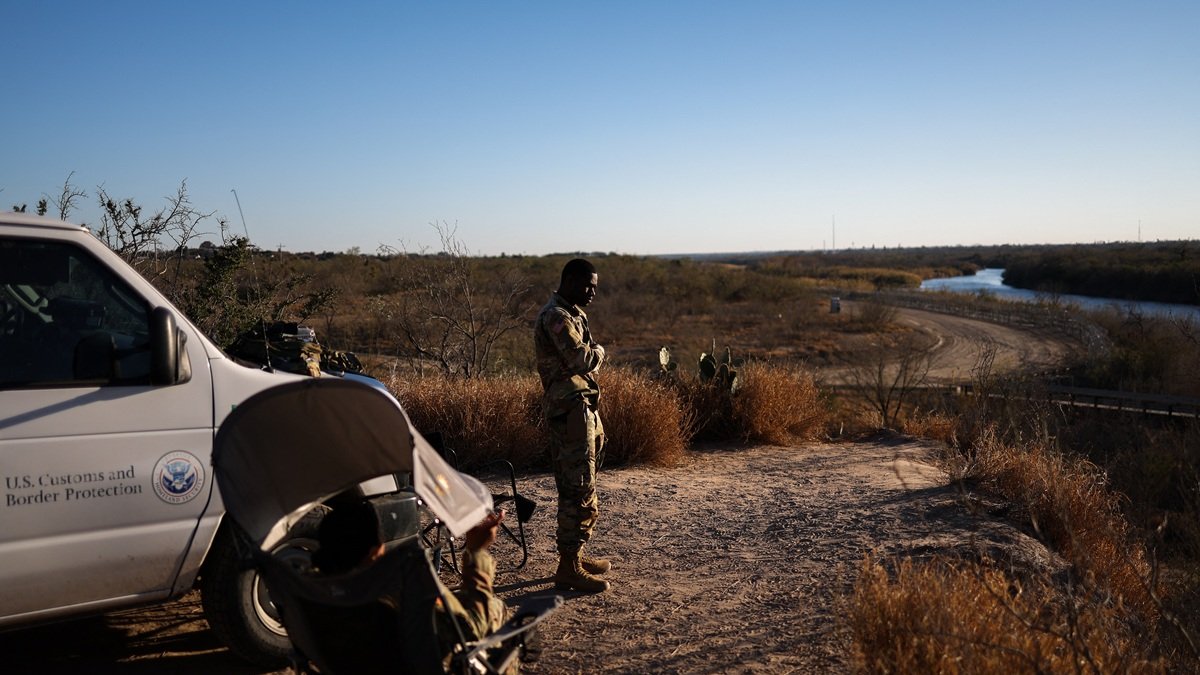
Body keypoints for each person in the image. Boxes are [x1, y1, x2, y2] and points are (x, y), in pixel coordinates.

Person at [309, 500, 509, 671]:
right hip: (422, 661)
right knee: (496, 611)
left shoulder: (316, 596)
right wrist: (476, 551)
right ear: (374, 551)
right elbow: (472, 628)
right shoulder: (401, 592)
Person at [532, 258, 612, 593]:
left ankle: (576, 554)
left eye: (594, 286)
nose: (592, 292)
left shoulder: (574, 313)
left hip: (582, 407)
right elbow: (581, 359)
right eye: (586, 285)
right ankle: (567, 568)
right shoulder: (556, 316)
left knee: (585, 483)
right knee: (576, 487)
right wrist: (600, 352)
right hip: (570, 411)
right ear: (568, 281)